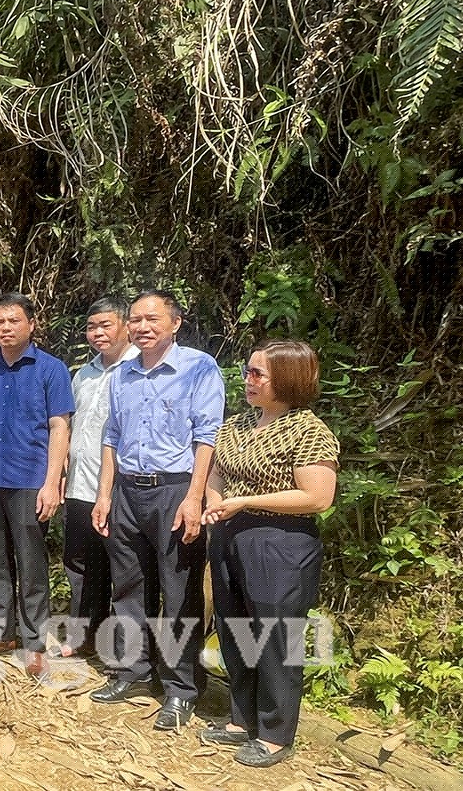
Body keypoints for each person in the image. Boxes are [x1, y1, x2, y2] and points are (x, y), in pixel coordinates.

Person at [91, 289, 225, 731]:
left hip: (175, 491)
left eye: (152, 319)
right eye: (135, 320)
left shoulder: (199, 368)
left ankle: (182, 689)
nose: (142, 327)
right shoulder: (124, 372)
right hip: (127, 490)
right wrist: (105, 495)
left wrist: (194, 496)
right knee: (127, 585)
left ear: (175, 322)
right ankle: (132, 669)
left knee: (180, 592)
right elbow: (112, 436)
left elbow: (207, 436)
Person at [200, 341, 337, 767]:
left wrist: (244, 502)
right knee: (235, 628)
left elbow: (317, 497)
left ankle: (277, 733)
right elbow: (217, 470)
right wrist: (217, 499)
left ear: (289, 379)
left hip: (279, 541)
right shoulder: (238, 424)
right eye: (248, 371)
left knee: (277, 638)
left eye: (259, 374)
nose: (248, 380)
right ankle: (242, 718)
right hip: (229, 534)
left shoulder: (309, 431)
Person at [0, 293, 73, 679]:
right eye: (0, 322)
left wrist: (52, 481)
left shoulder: (50, 369)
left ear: (31, 324)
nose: (5, 328)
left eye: (13, 321)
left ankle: (34, 642)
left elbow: (60, 426)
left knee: (31, 562)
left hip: (29, 479)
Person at [61, 295, 137, 657]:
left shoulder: (139, 369)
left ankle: (122, 648)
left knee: (122, 568)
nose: (97, 333)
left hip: (120, 487)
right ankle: (84, 636)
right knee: (79, 563)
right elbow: (71, 424)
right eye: (92, 327)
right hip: (79, 483)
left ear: (125, 326)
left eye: (106, 325)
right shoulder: (84, 373)